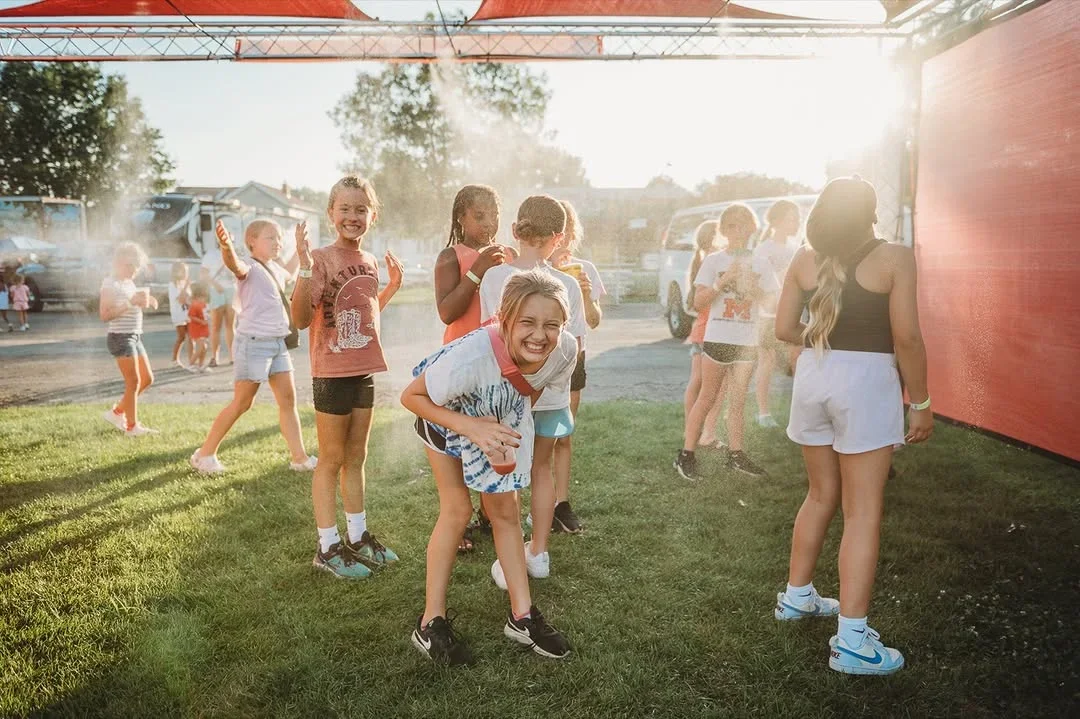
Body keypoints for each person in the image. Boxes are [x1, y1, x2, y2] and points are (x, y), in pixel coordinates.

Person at [773, 177, 932, 676]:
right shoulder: (895, 258)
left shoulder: (802, 259)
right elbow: (906, 336)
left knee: (820, 494)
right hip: (865, 383)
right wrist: (921, 401)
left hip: (814, 375)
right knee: (862, 512)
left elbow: (782, 330)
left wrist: (824, 334)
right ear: (870, 213)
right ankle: (852, 643)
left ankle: (797, 598)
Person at [403, 270, 578, 665]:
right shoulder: (470, 358)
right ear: (504, 319)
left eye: (551, 325)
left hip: (494, 412)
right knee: (458, 510)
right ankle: (430, 623)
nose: (540, 335)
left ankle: (522, 618)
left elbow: (530, 388)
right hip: (444, 416)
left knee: (505, 512)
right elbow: (411, 397)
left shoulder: (565, 351)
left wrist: (501, 431)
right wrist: (472, 428)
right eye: (528, 323)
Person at [291, 175, 404, 579]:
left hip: (363, 372)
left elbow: (365, 313)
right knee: (332, 459)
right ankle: (327, 546)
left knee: (357, 457)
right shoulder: (320, 259)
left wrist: (391, 287)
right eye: (345, 209)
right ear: (331, 214)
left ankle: (357, 537)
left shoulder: (370, 261)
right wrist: (304, 268)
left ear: (372, 215)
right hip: (331, 373)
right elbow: (301, 319)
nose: (352, 216)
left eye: (361, 210)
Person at [479, 195, 586, 583]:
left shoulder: (494, 278)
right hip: (553, 396)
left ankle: (512, 554)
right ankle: (538, 553)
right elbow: (574, 345)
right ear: (558, 238)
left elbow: (488, 340)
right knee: (542, 468)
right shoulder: (569, 284)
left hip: (509, 394)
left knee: (508, 474)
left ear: (515, 231)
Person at [190, 219, 316, 474]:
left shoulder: (274, 269)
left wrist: (300, 248)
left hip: (277, 344)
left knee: (288, 401)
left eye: (279, 238)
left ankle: (299, 458)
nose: (277, 243)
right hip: (254, 345)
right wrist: (226, 246)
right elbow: (234, 264)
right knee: (242, 403)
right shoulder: (249, 266)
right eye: (270, 238)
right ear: (252, 242)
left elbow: (291, 272)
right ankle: (204, 454)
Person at [674, 203, 776, 481]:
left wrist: (750, 287)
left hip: (746, 341)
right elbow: (697, 303)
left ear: (752, 228)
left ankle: (736, 454)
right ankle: (686, 454)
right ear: (723, 230)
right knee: (707, 397)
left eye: (743, 224)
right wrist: (725, 281)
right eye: (731, 225)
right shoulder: (714, 261)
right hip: (718, 338)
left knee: (738, 401)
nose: (738, 230)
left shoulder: (761, 263)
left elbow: (771, 300)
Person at [433, 184, 508, 552]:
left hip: (493, 362)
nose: (488, 223)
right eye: (479, 216)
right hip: (460, 361)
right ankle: (457, 519)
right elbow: (448, 311)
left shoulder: (502, 256)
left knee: (490, 437)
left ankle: (489, 512)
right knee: (459, 443)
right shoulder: (451, 256)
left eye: (493, 216)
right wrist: (477, 269)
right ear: (461, 216)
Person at [547, 199, 605, 533]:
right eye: (557, 228)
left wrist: (584, 294)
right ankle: (523, 504)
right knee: (527, 436)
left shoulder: (585, 269)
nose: (563, 235)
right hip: (536, 362)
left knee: (562, 434)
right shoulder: (532, 266)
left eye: (568, 228)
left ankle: (561, 504)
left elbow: (594, 321)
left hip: (573, 360)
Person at [98, 242, 158, 436]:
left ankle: (117, 412)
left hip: (134, 335)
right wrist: (130, 302)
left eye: (137, 265)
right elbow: (105, 315)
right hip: (120, 337)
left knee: (147, 379)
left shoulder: (128, 283)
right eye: (131, 265)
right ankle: (132, 427)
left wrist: (148, 301)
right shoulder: (110, 284)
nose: (135, 269)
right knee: (133, 382)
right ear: (119, 262)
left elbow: (132, 305)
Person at [753, 200, 801, 428]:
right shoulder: (764, 250)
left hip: (795, 315)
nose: (797, 222)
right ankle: (763, 413)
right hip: (769, 317)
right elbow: (762, 286)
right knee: (767, 362)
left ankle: (801, 412)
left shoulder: (796, 248)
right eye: (793, 218)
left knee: (798, 361)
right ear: (778, 221)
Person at [682, 220, 727, 450]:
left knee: (697, 383)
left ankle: (693, 428)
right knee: (715, 387)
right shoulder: (715, 262)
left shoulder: (700, 260)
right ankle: (706, 432)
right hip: (712, 331)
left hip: (701, 331)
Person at [202, 240, 237, 367]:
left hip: (231, 291)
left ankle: (233, 356)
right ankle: (214, 357)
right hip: (216, 292)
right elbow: (203, 274)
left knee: (230, 326)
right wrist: (216, 285)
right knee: (216, 326)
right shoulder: (211, 254)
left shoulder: (233, 254)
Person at [168, 261, 192, 368]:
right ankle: (174, 359)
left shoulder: (185, 284)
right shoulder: (172, 285)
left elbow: (189, 299)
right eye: (184, 271)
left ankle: (192, 360)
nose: (186, 274)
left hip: (187, 313)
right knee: (181, 337)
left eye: (187, 272)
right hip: (179, 315)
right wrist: (186, 287)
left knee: (191, 337)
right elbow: (180, 299)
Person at [186, 282, 211, 371]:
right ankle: (191, 364)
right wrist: (201, 321)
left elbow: (206, 314)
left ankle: (201, 364)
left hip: (204, 329)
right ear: (198, 296)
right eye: (203, 297)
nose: (204, 299)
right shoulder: (195, 304)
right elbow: (191, 316)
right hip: (197, 329)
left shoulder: (204, 304)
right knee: (201, 347)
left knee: (204, 347)